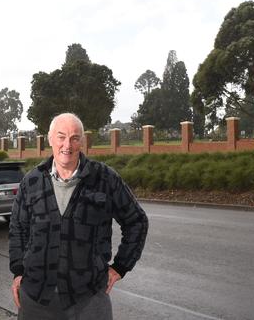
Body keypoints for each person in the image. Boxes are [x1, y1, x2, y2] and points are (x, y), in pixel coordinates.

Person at [9, 113, 149, 320]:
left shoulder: (105, 178)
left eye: (75, 138)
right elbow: (17, 228)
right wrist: (18, 271)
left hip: (88, 299)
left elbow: (136, 221)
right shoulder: (31, 181)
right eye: (61, 136)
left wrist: (120, 266)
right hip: (36, 298)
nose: (68, 145)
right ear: (50, 139)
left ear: (82, 141)